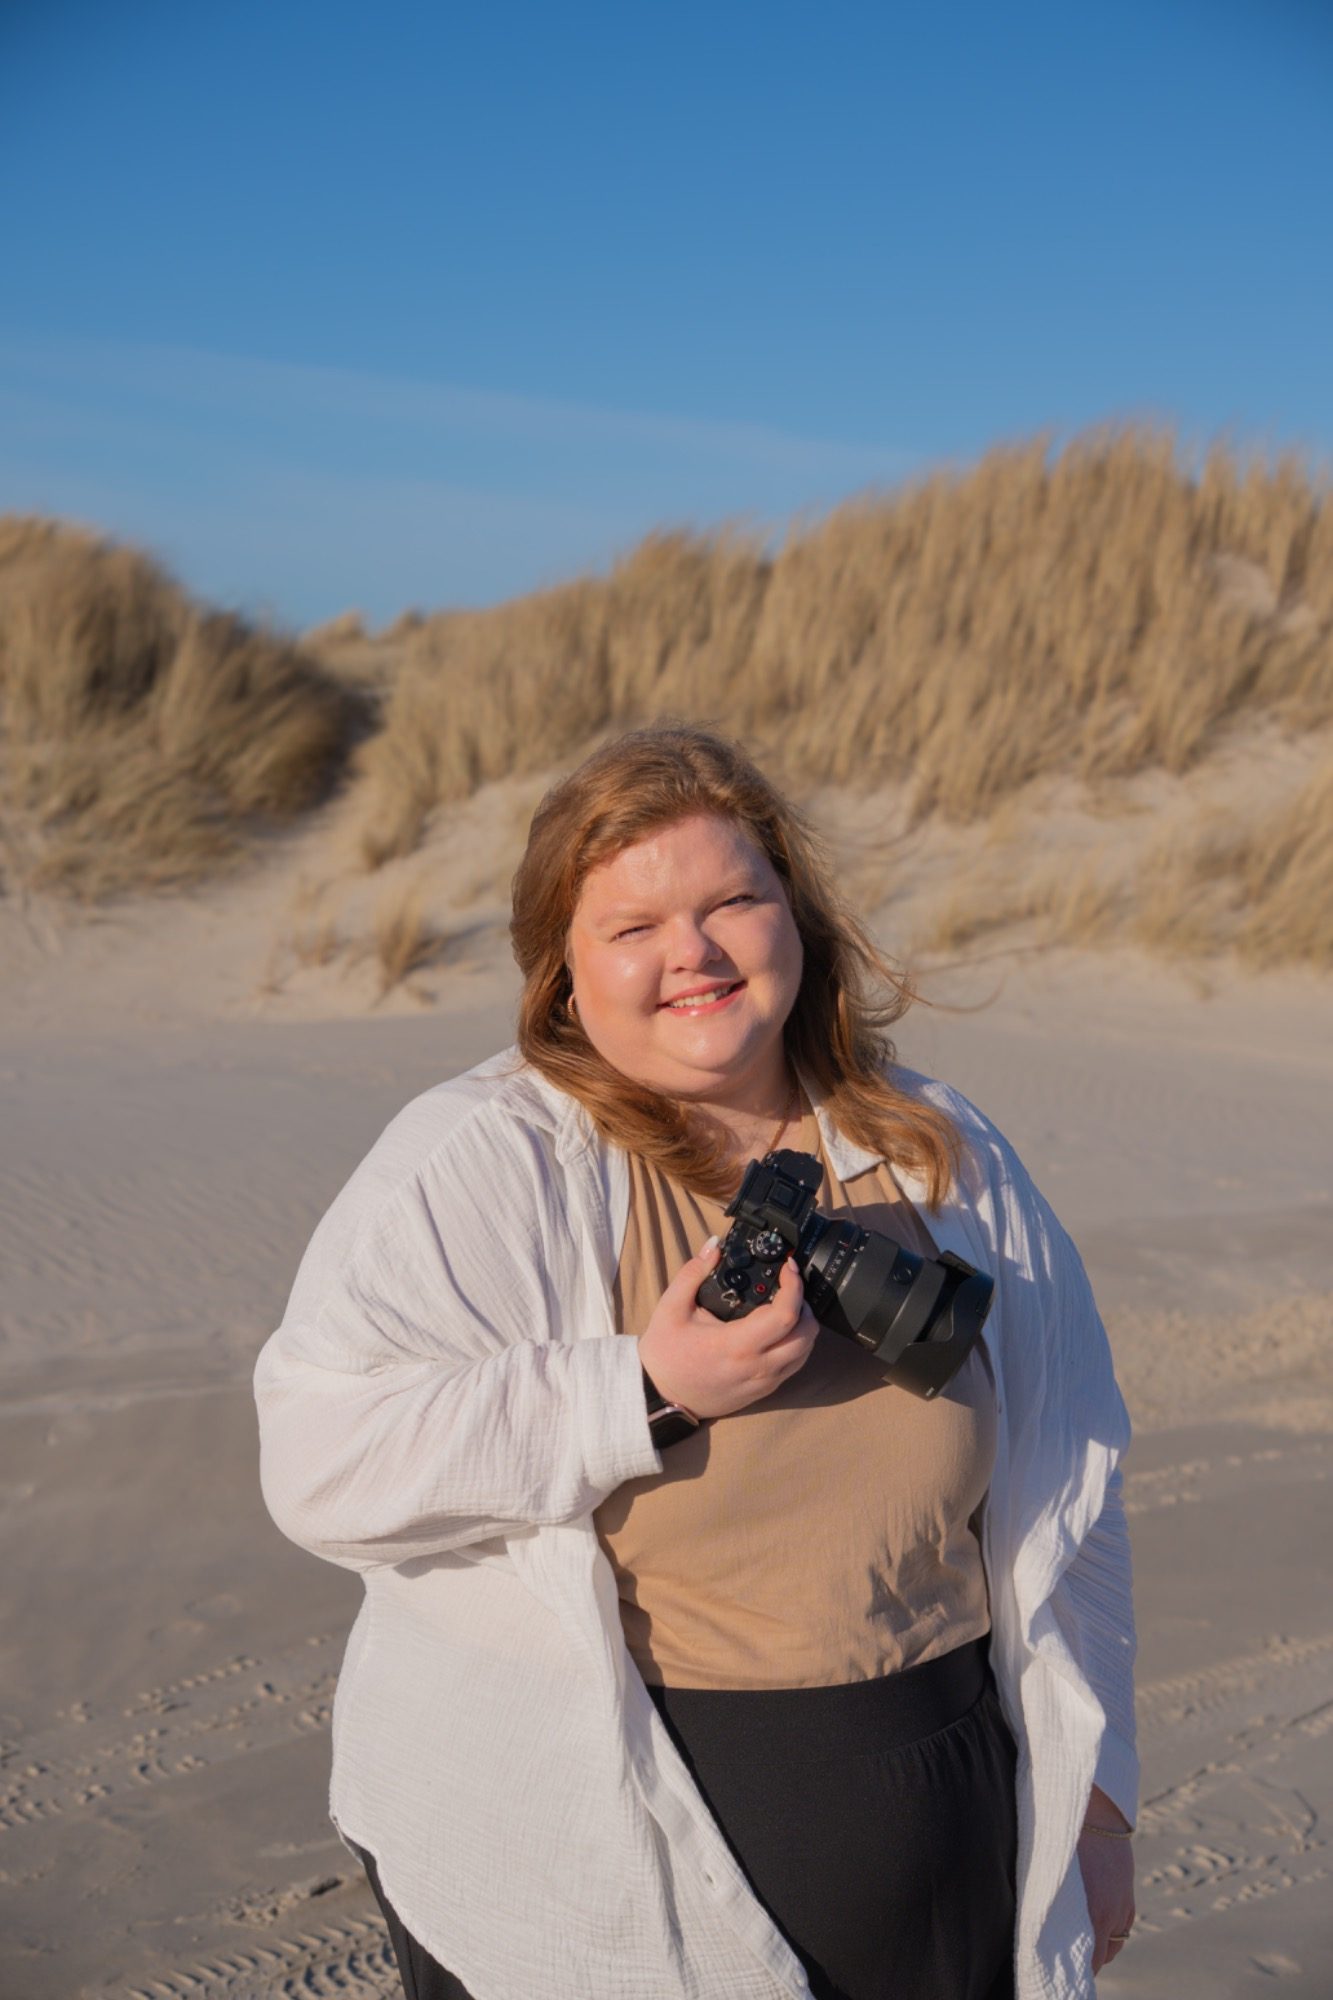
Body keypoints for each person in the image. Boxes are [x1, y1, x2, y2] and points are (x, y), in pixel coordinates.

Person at [254, 723, 1137, 2000]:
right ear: (563, 968)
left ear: (795, 913)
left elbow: (1076, 1484)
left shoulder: (936, 1148)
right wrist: (642, 1388)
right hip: (607, 1836)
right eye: (634, 926)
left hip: (950, 1810)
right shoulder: (489, 1160)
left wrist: (1095, 1803)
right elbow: (318, 1460)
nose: (696, 953)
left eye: (733, 901)